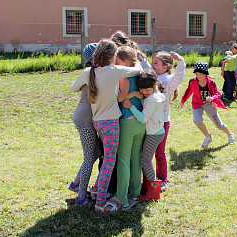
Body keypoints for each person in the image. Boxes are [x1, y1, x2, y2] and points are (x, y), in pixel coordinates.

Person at [70, 39, 142, 212]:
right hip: (111, 123)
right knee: (109, 162)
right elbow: (137, 70)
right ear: (113, 56)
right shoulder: (114, 71)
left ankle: (97, 193)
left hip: (97, 122)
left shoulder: (90, 72)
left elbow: (73, 88)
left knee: (105, 159)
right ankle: (101, 202)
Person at [68, 43, 104, 206]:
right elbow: (72, 88)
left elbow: (73, 88)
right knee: (90, 155)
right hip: (85, 119)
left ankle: (76, 183)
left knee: (95, 152)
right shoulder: (91, 72)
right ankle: (81, 195)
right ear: (94, 58)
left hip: (87, 117)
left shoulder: (94, 72)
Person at [123, 70, 166, 201]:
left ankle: (154, 190)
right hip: (157, 132)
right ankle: (151, 188)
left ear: (153, 86)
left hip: (154, 134)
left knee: (145, 161)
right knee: (146, 160)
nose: (144, 92)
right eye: (142, 89)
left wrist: (131, 106)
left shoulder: (151, 100)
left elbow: (143, 119)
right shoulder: (155, 95)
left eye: (147, 90)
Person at [114, 46, 146, 208]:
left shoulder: (124, 76)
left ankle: (122, 198)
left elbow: (120, 98)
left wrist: (126, 95)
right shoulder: (139, 73)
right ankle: (135, 192)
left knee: (124, 160)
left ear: (126, 61)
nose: (115, 63)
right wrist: (134, 95)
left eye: (117, 61)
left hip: (127, 122)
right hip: (140, 122)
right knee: (135, 159)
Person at [151, 51, 185, 192]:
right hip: (146, 120)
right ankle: (150, 177)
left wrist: (180, 60)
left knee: (159, 152)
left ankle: (162, 179)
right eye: (152, 62)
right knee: (146, 153)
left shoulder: (168, 81)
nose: (152, 65)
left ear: (164, 67)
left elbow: (179, 76)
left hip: (162, 122)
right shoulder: (148, 77)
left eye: (155, 63)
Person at [181, 61, 235, 148]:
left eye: (200, 74)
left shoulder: (211, 83)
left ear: (206, 74)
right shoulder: (192, 81)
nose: (198, 76)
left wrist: (212, 98)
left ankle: (230, 135)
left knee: (219, 125)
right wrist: (183, 100)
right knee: (197, 120)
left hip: (209, 105)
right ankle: (207, 137)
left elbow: (217, 94)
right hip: (197, 104)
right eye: (197, 74)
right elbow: (188, 91)